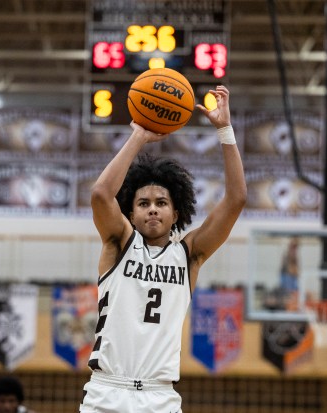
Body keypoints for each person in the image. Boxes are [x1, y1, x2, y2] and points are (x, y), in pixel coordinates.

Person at [79, 85, 247, 413]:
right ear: (130, 212)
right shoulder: (118, 243)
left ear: (176, 213)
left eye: (161, 203)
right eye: (143, 203)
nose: (152, 209)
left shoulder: (190, 254)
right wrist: (138, 137)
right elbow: (101, 194)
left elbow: (237, 199)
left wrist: (225, 131)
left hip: (160, 396)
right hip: (107, 392)